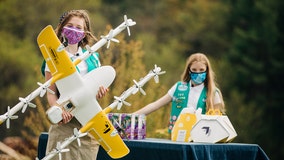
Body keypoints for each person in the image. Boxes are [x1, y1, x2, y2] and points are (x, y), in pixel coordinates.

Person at [44, 10, 108, 160]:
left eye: (79, 27)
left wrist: (101, 91)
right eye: (70, 25)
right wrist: (58, 109)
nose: (74, 30)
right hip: (64, 123)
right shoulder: (54, 58)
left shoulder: (93, 58)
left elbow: (95, 88)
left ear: (85, 32)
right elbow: (50, 92)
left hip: (88, 123)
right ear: (62, 28)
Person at [134, 53, 225, 134]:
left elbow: (217, 121)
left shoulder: (213, 92)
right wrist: (131, 116)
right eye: (194, 69)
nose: (198, 73)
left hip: (201, 139)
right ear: (189, 70)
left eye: (201, 70)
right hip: (178, 136)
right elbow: (155, 105)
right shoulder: (178, 87)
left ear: (207, 71)